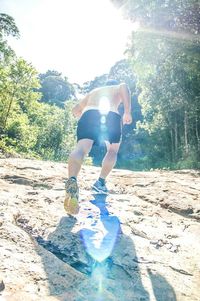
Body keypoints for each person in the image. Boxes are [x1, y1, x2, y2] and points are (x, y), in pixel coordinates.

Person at [64, 79, 132, 215]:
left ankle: (72, 180)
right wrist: (127, 111)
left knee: (81, 149)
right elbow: (124, 86)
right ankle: (100, 182)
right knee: (112, 150)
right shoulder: (116, 88)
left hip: (89, 114)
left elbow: (75, 110)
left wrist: (85, 121)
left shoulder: (93, 92)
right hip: (111, 115)